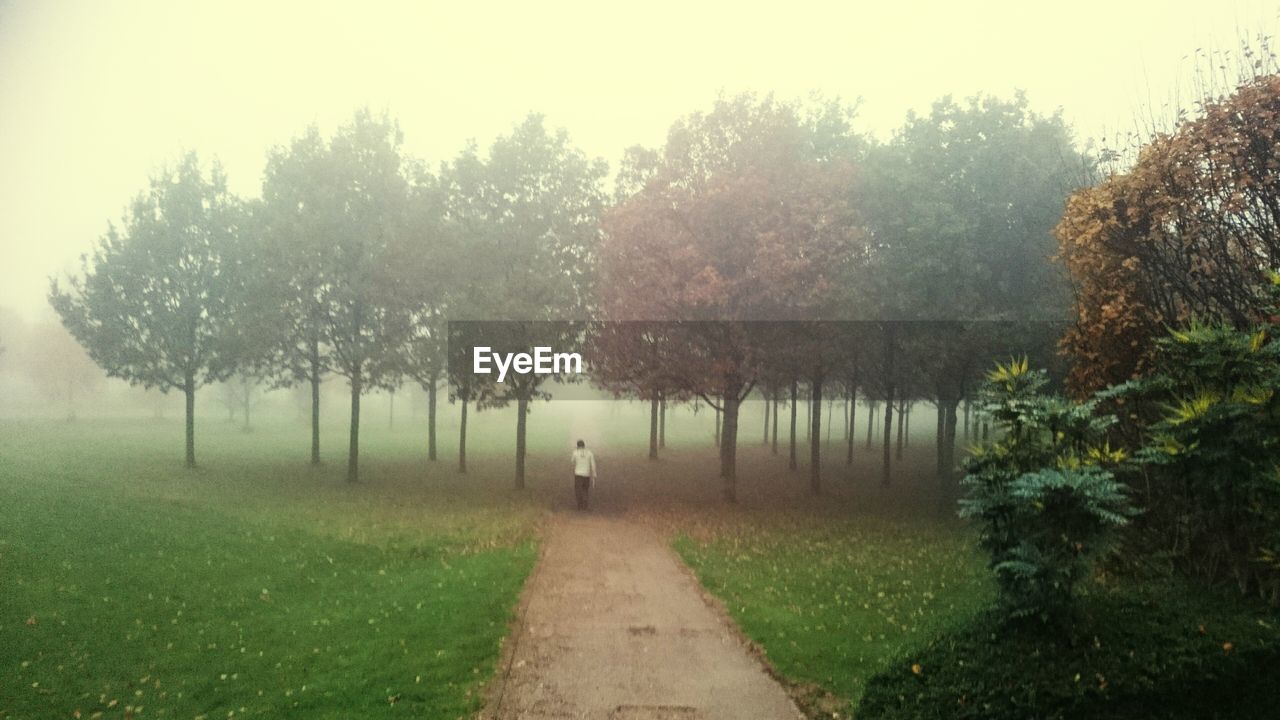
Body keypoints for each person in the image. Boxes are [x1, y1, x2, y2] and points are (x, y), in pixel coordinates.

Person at [571, 439, 597, 511]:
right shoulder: (589, 453)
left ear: (577, 446)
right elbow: (593, 464)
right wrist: (594, 474)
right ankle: (585, 505)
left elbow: (572, 461)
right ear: (584, 445)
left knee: (578, 490)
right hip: (586, 474)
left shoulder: (575, 452)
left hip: (578, 474)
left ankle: (580, 505)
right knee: (585, 490)